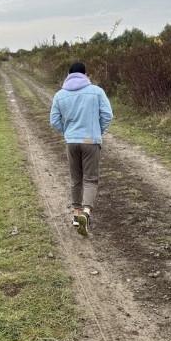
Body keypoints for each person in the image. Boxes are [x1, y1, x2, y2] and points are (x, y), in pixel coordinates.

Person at [49, 62, 113, 236]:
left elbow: (54, 121)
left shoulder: (59, 95)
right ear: (85, 74)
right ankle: (86, 212)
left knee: (75, 179)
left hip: (71, 142)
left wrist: (68, 131)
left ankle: (76, 216)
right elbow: (108, 115)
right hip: (91, 141)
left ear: (68, 74)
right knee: (91, 180)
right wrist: (98, 131)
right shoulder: (96, 91)